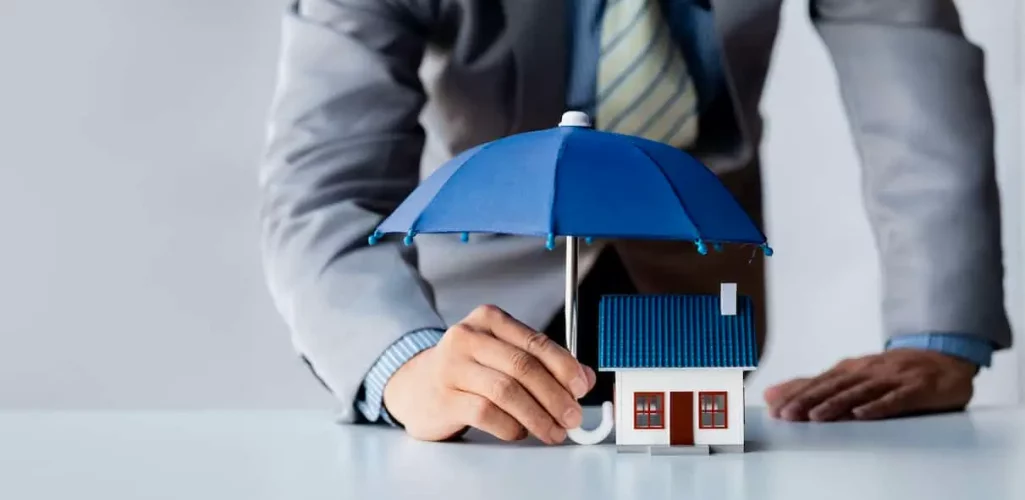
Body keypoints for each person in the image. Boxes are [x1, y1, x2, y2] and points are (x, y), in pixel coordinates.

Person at [259, 0, 1012, 444]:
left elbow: (914, 96)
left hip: (694, 283)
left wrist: (935, 335)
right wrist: (401, 361)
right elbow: (325, 185)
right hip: (470, 329)